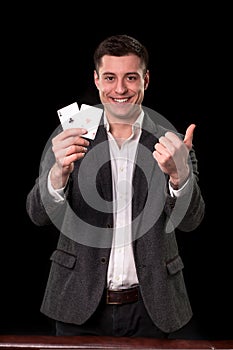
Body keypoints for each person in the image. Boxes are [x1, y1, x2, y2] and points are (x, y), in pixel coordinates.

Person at [26, 34, 205, 338]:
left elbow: (191, 222)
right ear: (96, 80)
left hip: (154, 309)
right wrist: (58, 173)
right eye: (110, 77)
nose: (120, 89)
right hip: (77, 305)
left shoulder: (171, 143)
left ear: (146, 80)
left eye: (131, 77)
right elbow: (37, 214)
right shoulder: (71, 136)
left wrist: (180, 176)